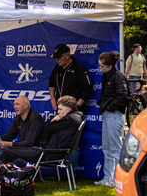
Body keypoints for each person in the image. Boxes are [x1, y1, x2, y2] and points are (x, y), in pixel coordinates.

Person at [0, 96, 83, 165]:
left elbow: (46, 128)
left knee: (8, 152)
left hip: (47, 153)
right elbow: (49, 129)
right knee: (8, 151)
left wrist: (54, 120)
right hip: (48, 151)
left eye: (60, 109)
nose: (58, 112)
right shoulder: (74, 118)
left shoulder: (68, 120)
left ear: (68, 109)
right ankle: (10, 172)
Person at [95, 51, 129, 187]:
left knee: (115, 148)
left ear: (110, 66)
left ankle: (117, 179)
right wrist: (103, 104)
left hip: (115, 115)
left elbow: (124, 97)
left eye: (102, 66)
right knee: (107, 147)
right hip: (108, 114)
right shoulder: (107, 75)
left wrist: (109, 107)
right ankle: (108, 177)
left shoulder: (118, 77)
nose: (100, 68)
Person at [0, 96, 45, 162]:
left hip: (36, 149)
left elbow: (30, 143)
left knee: (10, 152)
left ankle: (20, 166)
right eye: (14, 104)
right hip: (24, 148)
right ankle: (14, 166)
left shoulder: (35, 119)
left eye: (17, 104)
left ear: (26, 105)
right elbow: (8, 136)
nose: (14, 106)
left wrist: (10, 144)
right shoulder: (18, 118)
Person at [49, 44, 93, 111]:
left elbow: (88, 88)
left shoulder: (79, 69)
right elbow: (51, 83)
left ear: (67, 55)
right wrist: (53, 98)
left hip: (73, 110)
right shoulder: (57, 69)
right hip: (60, 109)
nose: (57, 60)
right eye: (56, 58)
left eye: (59, 58)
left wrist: (76, 106)